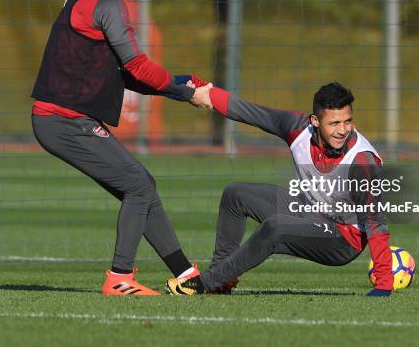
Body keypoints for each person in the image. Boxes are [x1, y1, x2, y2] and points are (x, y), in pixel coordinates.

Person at [31, 0, 212, 296]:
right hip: (63, 120)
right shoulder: (107, 1)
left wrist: (181, 87)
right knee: (138, 185)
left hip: (64, 118)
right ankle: (119, 278)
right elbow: (140, 67)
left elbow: (126, 75)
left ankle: (185, 274)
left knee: (142, 185)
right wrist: (185, 93)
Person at [165, 80, 394, 297]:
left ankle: (204, 284)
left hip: (343, 238)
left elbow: (375, 222)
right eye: (334, 123)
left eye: (347, 121)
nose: (343, 130)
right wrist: (206, 92)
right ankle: (221, 278)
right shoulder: (297, 128)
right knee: (235, 195)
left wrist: (384, 284)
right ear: (314, 121)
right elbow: (248, 111)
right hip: (310, 210)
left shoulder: (362, 162)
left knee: (276, 227)